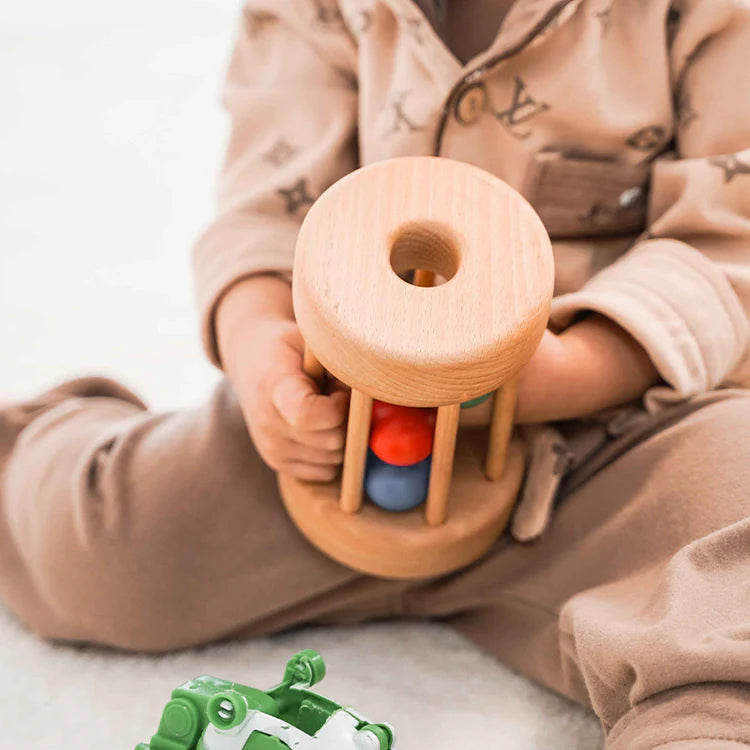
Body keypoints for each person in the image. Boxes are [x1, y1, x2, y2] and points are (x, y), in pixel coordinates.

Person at [2, 1, 750, 747]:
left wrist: (567, 369)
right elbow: (266, 212)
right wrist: (264, 355)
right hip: (336, 441)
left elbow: (726, 237)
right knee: (101, 549)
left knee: (730, 550)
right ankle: (38, 446)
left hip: (618, 436)